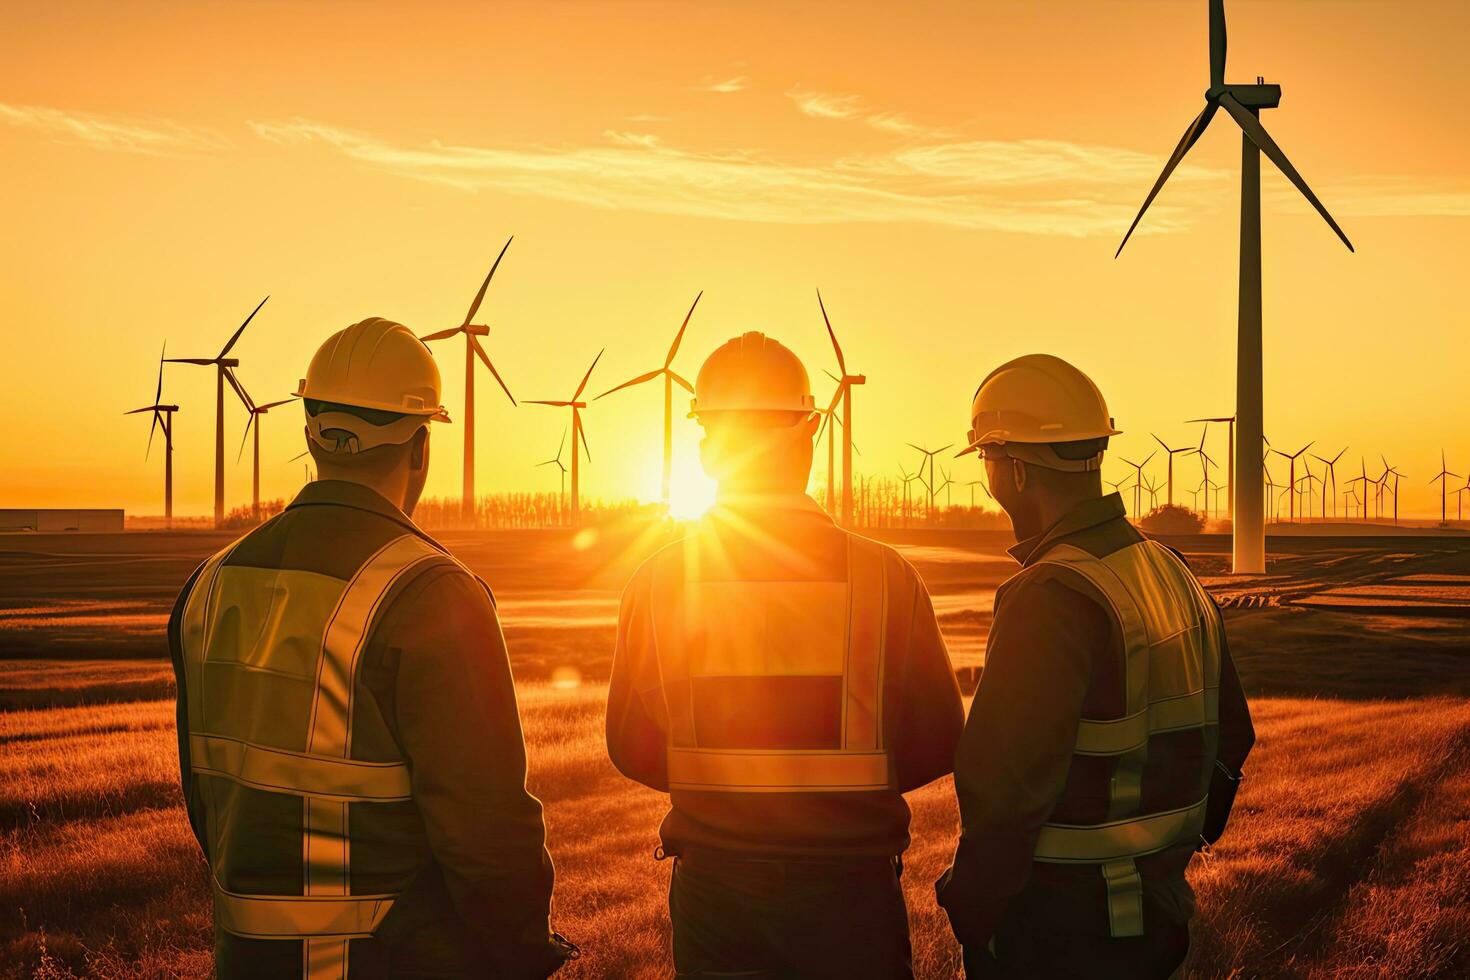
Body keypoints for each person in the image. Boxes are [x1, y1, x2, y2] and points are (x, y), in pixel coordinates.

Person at [168, 317, 575, 979]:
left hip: (245, 957)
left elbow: (206, 796)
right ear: (420, 447)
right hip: (384, 962)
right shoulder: (431, 592)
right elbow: (484, 824)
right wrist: (524, 951)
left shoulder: (211, 583)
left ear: (310, 433)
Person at [606, 331, 964, 979]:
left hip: (718, 895)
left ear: (708, 447)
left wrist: (731, 791)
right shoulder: (886, 578)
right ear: (812, 434)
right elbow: (939, 738)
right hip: (850, 893)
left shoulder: (657, 581)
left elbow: (631, 745)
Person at [935, 354, 1255, 979]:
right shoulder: (1170, 570)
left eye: (987, 459)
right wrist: (1164, 856)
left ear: (1015, 471)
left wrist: (973, 909)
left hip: (1060, 932)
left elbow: (1004, 788)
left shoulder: (1051, 594)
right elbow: (1233, 735)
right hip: (1156, 920)